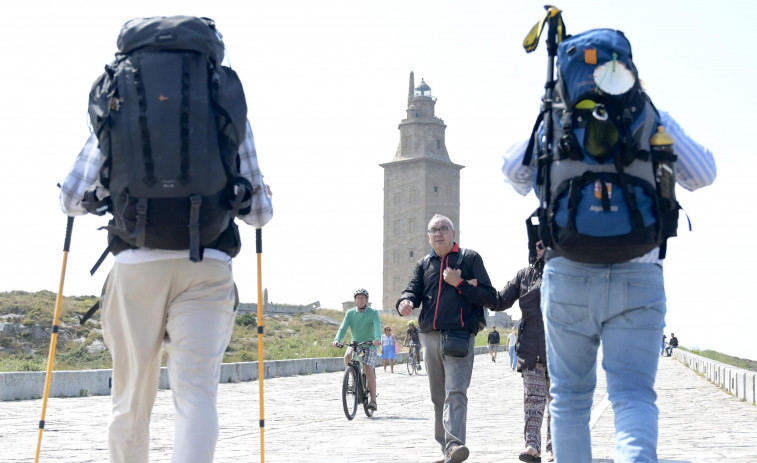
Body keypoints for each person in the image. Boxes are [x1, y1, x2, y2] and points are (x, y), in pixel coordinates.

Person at [59, 43, 273, 463]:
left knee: (131, 399)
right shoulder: (225, 106)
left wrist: (105, 195)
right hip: (208, 266)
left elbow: (70, 197)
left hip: (136, 265)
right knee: (196, 396)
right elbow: (260, 212)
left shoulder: (119, 104)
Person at [503, 108, 716, 461]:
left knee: (570, 397)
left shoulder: (557, 119)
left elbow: (513, 170)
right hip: (640, 271)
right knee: (633, 395)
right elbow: (703, 174)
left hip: (569, 275)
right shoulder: (650, 114)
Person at [396, 214, 496, 463]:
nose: (439, 233)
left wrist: (459, 283)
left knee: (456, 392)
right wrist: (405, 302)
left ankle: (454, 444)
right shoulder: (423, 264)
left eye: (444, 228)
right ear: (428, 237)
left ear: (454, 234)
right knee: (438, 395)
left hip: (459, 336)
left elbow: (489, 296)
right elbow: (412, 289)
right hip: (429, 336)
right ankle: (446, 448)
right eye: (434, 230)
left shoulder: (470, 258)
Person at [489, 241, 553, 462]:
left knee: (558, 402)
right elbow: (499, 300)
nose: (538, 248)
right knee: (533, 401)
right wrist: (469, 286)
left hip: (561, 350)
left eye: (543, 244)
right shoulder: (524, 275)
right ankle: (532, 447)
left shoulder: (568, 271)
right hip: (530, 349)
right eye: (535, 244)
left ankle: (556, 447)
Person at [331, 289, 381, 410]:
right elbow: (343, 328)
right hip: (356, 343)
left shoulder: (373, 312)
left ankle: (373, 401)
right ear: (355, 300)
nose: (360, 300)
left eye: (362, 298)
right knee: (347, 357)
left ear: (366, 300)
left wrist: (377, 338)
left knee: (368, 369)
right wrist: (337, 339)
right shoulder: (350, 313)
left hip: (369, 344)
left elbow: (377, 326)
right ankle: (353, 379)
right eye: (358, 298)